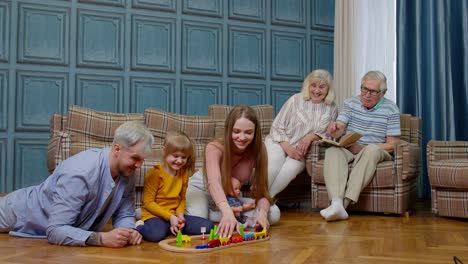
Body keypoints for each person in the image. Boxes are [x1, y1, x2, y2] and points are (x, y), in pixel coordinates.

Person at [0, 121, 155, 247]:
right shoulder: (80, 172)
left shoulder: (126, 172)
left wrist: (128, 231)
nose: (139, 165)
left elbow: (125, 214)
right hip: (17, 211)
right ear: (116, 149)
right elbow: (55, 231)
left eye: (142, 160)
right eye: (135, 158)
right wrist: (101, 239)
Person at [185, 105, 280, 238]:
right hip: (201, 188)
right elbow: (214, 183)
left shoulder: (259, 150)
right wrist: (228, 212)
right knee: (199, 218)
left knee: (273, 213)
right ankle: (223, 215)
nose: (242, 137)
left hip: (230, 198)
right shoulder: (214, 147)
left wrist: (262, 214)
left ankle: (219, 215)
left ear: (255, 132)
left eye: (248, 132)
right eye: (236, 131)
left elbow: (261, 191)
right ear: (229, 130)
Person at [320, 70, 401, 222]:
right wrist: (335, 129)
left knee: (370, 150)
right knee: (332, 151)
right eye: (364, 89)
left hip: (376, 150)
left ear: (383, 93)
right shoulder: (351, 103)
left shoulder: (391, 109)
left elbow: (393, 144)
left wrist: (363, 149)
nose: (366, 94)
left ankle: (343, 205)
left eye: (373, 91)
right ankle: (336, 202)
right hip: (351, 147)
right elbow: (341, 127)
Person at [266, 69, 338, 198]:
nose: (316, 90)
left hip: (301, 152)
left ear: (328, 89)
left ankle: (266, 198)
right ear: (308, 85)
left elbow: (329, 135)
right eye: (313, 85)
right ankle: (259, 196)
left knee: (290, 169)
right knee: (275, 163)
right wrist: (288, 148)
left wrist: (312, 136)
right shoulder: (295, 100)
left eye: (322, 87)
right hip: (279, 142)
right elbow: (277, 126)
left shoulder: (332, 108)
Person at [136, 131, 214, 242]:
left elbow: (182, 198)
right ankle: (140, 224)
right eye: (175, 156)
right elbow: (148, 203)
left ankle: (171, 227)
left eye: (184, 157)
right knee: (155, 235)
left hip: (174, 215)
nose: (179, 161)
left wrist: (180, 216)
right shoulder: (155, 174)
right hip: (155, 215)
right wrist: (170, 217)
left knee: (208, 226)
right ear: (164, 151)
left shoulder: (184, 174)